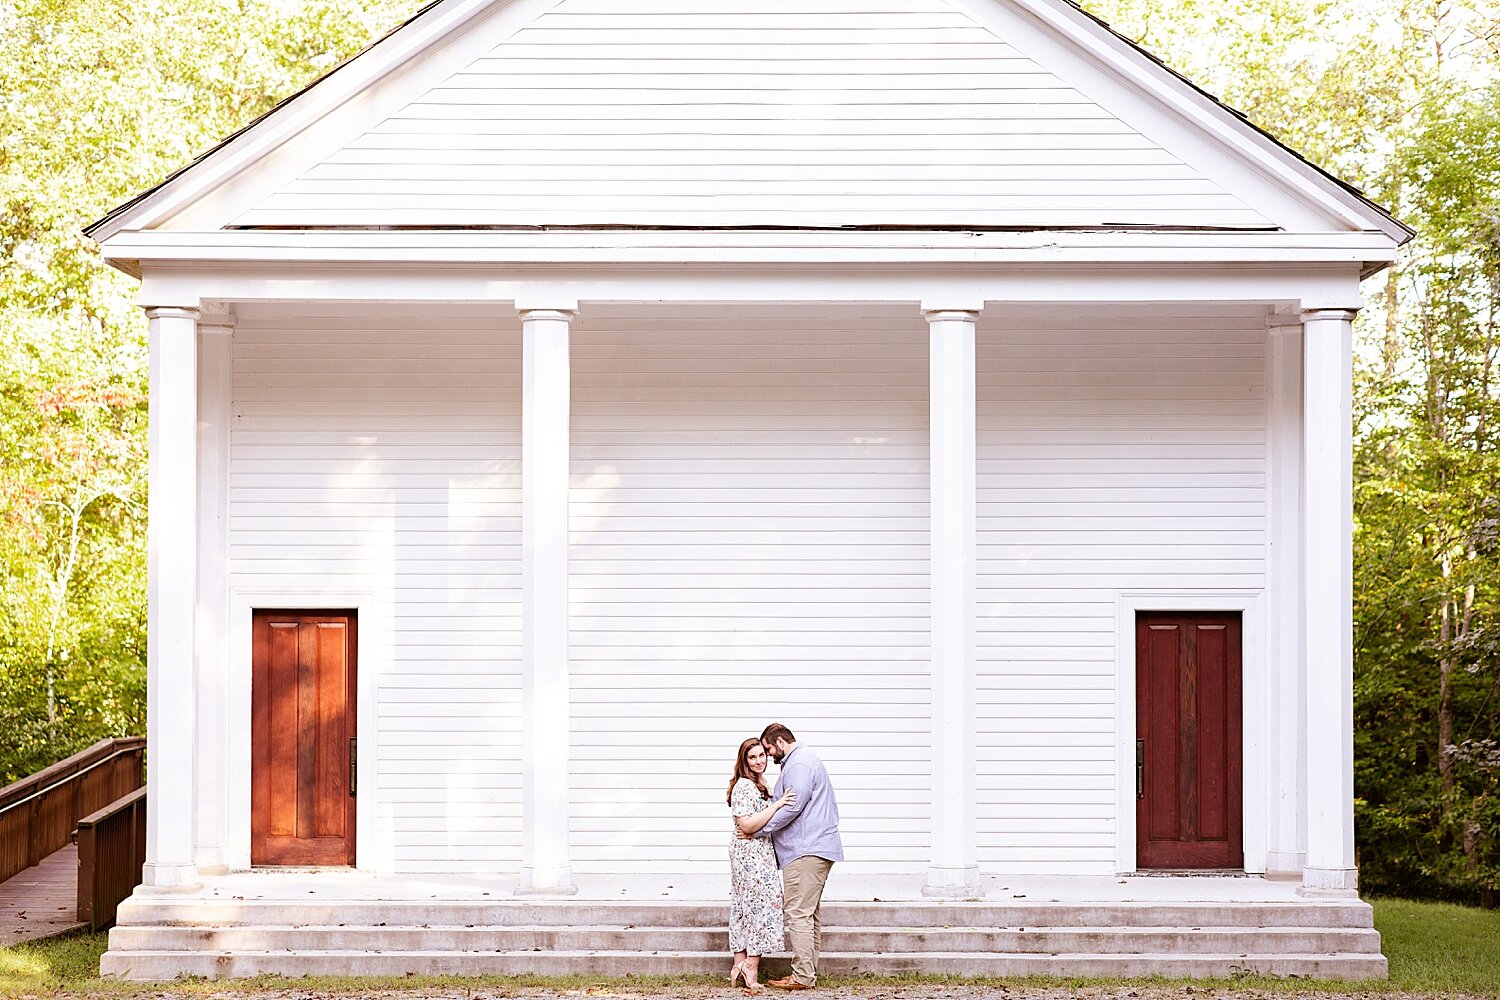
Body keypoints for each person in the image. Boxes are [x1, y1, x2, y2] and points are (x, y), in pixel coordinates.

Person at [753, 723, 843, 990]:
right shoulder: (800, 761)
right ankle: (807, 973)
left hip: (806, 850)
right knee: (808, 914)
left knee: (797, 913)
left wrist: (759, 829)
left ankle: (802, 976)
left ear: (780, 742)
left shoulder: (799, 765)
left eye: (768, 750)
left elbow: (792, 807)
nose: (768, 756)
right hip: (812, 848)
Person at [726, 737, 795, 993]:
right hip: (750, 854)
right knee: (760, 904)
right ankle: (750, 966)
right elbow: (746, 825)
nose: (759, 761)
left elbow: (755, 823)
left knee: (746, 905)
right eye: (752, 757)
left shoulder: (760, 783)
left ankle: (740, 964)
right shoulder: (744, 786)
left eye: (761, 756)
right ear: (744, 761)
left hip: (757, 851)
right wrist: (777, 804)